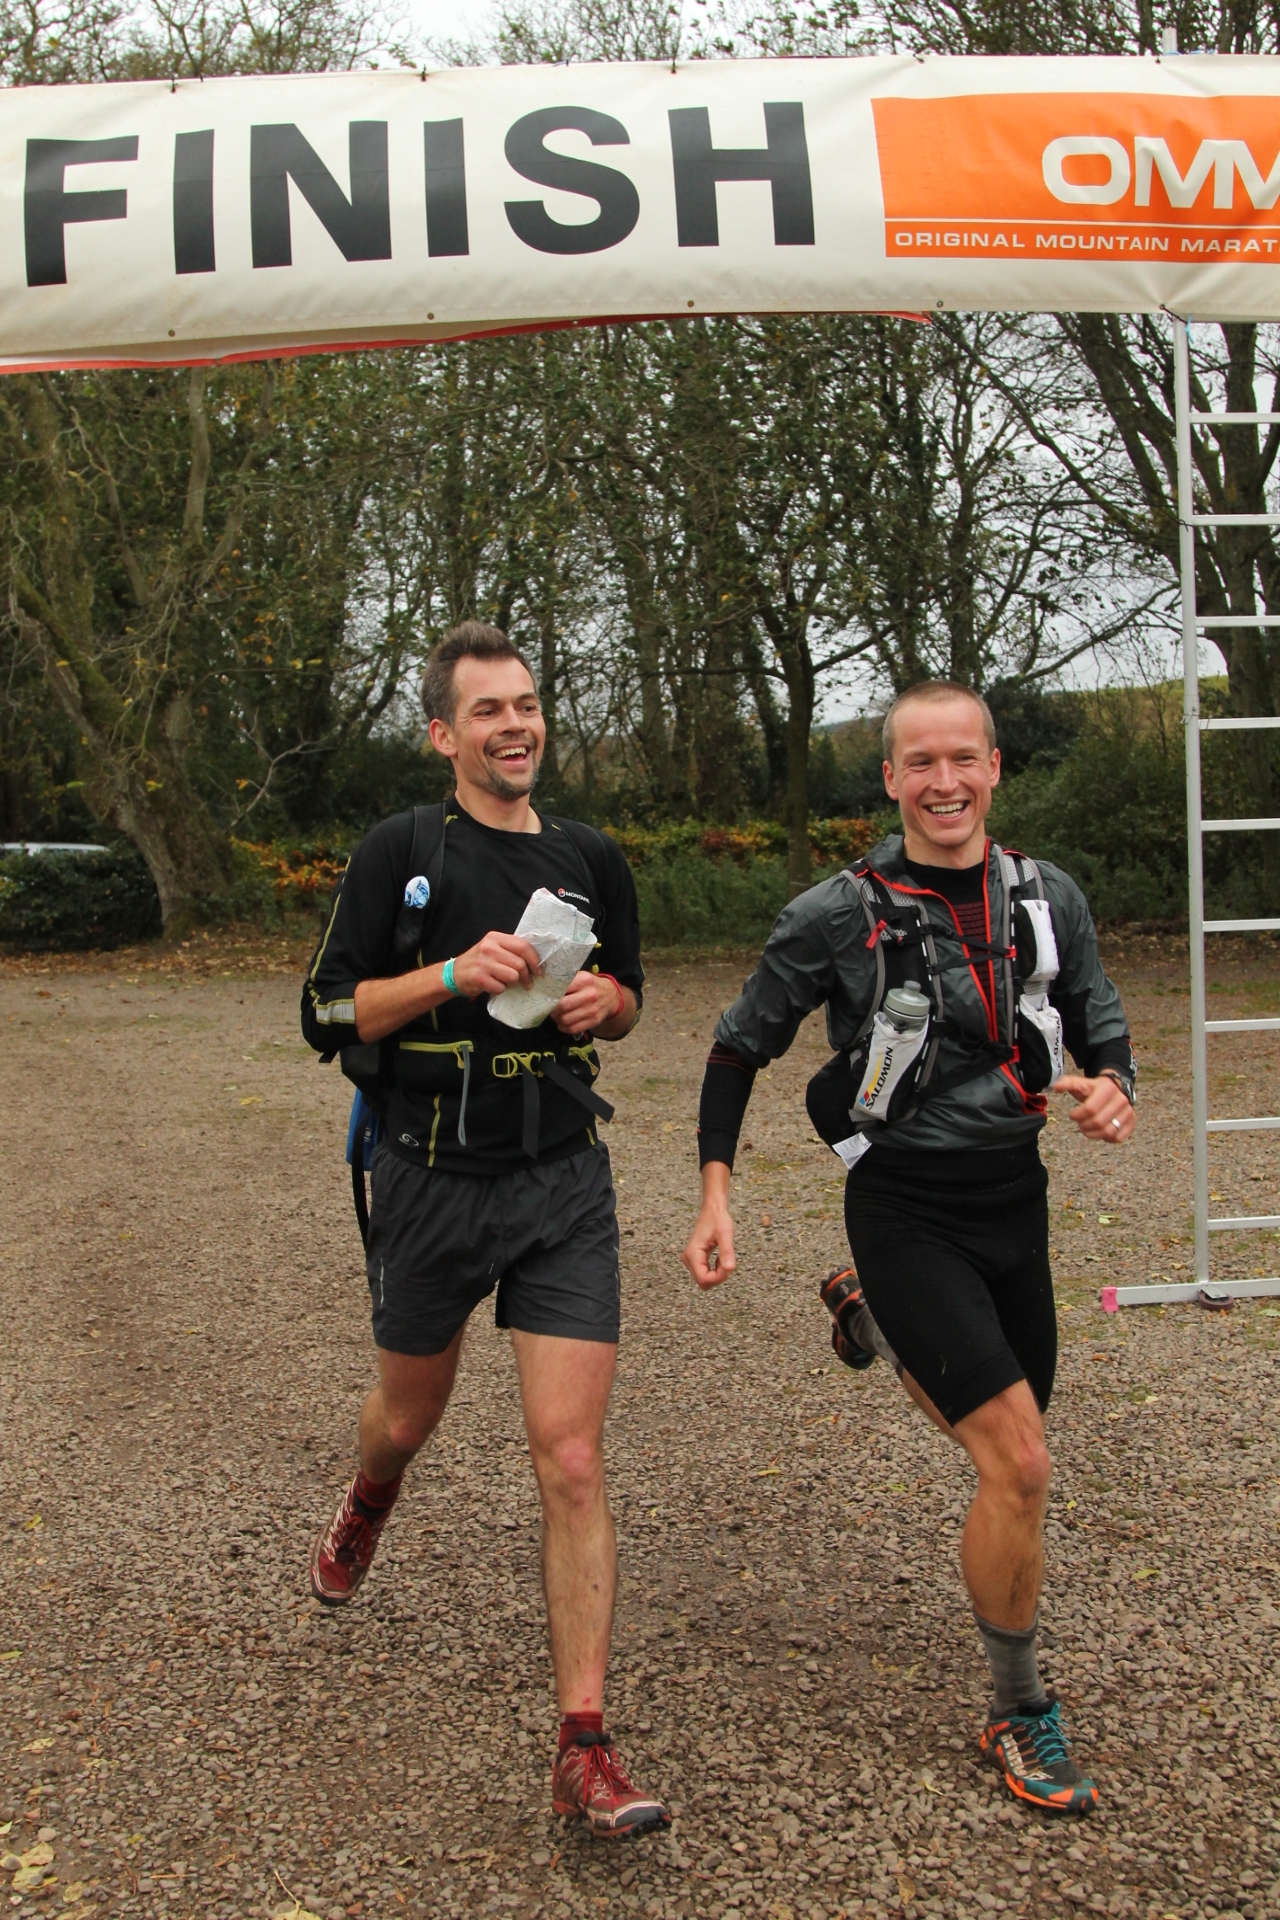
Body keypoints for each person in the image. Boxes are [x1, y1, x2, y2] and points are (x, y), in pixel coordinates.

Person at [682, 680, 1136, 1817]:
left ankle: (872, 1323)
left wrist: (1114, 1090)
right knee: (1017, 1465)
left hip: (1010, 1204)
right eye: (917, 763)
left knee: (998, 1449)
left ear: (993, 768)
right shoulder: (833, 913)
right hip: (901, 1203)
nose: (942, 782)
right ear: (887, 779)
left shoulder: (1048, 898)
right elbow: (738, 1049)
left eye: (962, 760)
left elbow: (1100, 1023)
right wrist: (714, 1193)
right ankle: (1016, 1708)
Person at [301, 621, 669, 1839]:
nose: (515, 725)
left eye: (527, 704)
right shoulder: (399, 851)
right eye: (489, 711)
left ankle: (584, 1745)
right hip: (427, 1177)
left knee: (569, 1458)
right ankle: (369, 1493)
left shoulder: (587, 855)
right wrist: (453, 975)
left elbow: (627, 1004)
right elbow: (327, 1009)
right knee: (407, 1415)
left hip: (562, 1179)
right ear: (442, 734)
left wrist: (604, 1001)